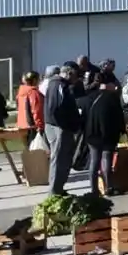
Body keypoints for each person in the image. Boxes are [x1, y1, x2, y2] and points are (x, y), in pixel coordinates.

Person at [83, 71, 127, 196]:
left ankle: (94, 189)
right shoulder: (113, 98)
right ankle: (109, 187)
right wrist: (122, 132)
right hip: (108, 134)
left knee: (94, 161)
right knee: (106, 159)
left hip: (92, 133)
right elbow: (119, 117)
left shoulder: (91, 97)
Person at [42, 64, 83, 194]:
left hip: (57, 125)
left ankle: (59, 188)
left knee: (63, 158)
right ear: (69, 73)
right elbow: (56, 108)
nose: (76, 80)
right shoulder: (59, 85)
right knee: (59, 158)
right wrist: (65, 125)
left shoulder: (57, 84)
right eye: (75, 76)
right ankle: (55, 190)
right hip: (58, 127)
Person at [16, 71, 44, 147]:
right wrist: (39, 126)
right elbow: (36, 110)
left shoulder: (21, 93)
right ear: (35, 80)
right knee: (38, 151)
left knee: (30, 149)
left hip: (22, 125)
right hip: (32, 126)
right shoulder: (33, 92)